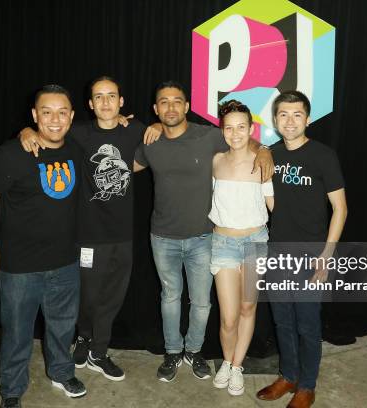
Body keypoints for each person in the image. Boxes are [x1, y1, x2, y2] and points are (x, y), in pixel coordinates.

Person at [18, 76, 160, 382]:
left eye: (112, 96)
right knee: (88, 296)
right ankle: (83, 337)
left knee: (114, 296)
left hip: (122, 234)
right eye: (99, 97)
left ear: (122, 102)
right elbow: (46, 131)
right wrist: (25, 130)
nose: (106, 102)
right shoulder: (79, 132)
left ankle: (99, 350)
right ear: (90, 103)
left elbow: (153, 143)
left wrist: (158, 127)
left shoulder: (134, 129)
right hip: (88, 234)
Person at [133, 81, 274, 382]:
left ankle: (194, 351)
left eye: (177, 101)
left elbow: (242, 139)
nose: (171, 107)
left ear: (186, 106)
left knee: (201, 302)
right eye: (164, 102)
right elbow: (124, 166)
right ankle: (173, 352)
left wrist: (264, 150)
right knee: (170, 297)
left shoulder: (209, 136)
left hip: (203, 237)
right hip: (162, 236)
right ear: (156, 109)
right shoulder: (150, 140)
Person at [0, 84, 87, 408]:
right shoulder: (12, 152)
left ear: (71, 117)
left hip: (65, 262)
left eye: (62, 112)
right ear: (35, 115)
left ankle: (62, 373)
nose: (55, 119)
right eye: (47, 112)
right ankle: (11, 390)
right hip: (18, 266)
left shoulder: (76, 151)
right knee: (16, 333)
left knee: (63, 327)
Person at [256, 90, 347, 408]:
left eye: (297, 114)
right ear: (275, 120)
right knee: (282, 320)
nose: (290, 120)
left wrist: (327, 255)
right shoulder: (272, 155)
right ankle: (288, 375)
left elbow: (340, 209)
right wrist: (264, 151)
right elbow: (274, 206)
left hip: (311, 254)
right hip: (278, 250)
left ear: (307, 118)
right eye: (283, 114)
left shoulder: (323, 155)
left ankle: (307, 385)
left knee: (308, 324)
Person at [208, 100, 274, 396]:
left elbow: (274, 205)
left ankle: (237, 366)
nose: (235, 133)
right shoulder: (216, 161)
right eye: (229, 127)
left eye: (241, 127)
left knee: (248, 307)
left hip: (255, 243)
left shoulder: (262, 161)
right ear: (222, 130)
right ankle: (225, 360)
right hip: (223, 243)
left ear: (251, 129)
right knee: (228, 316)